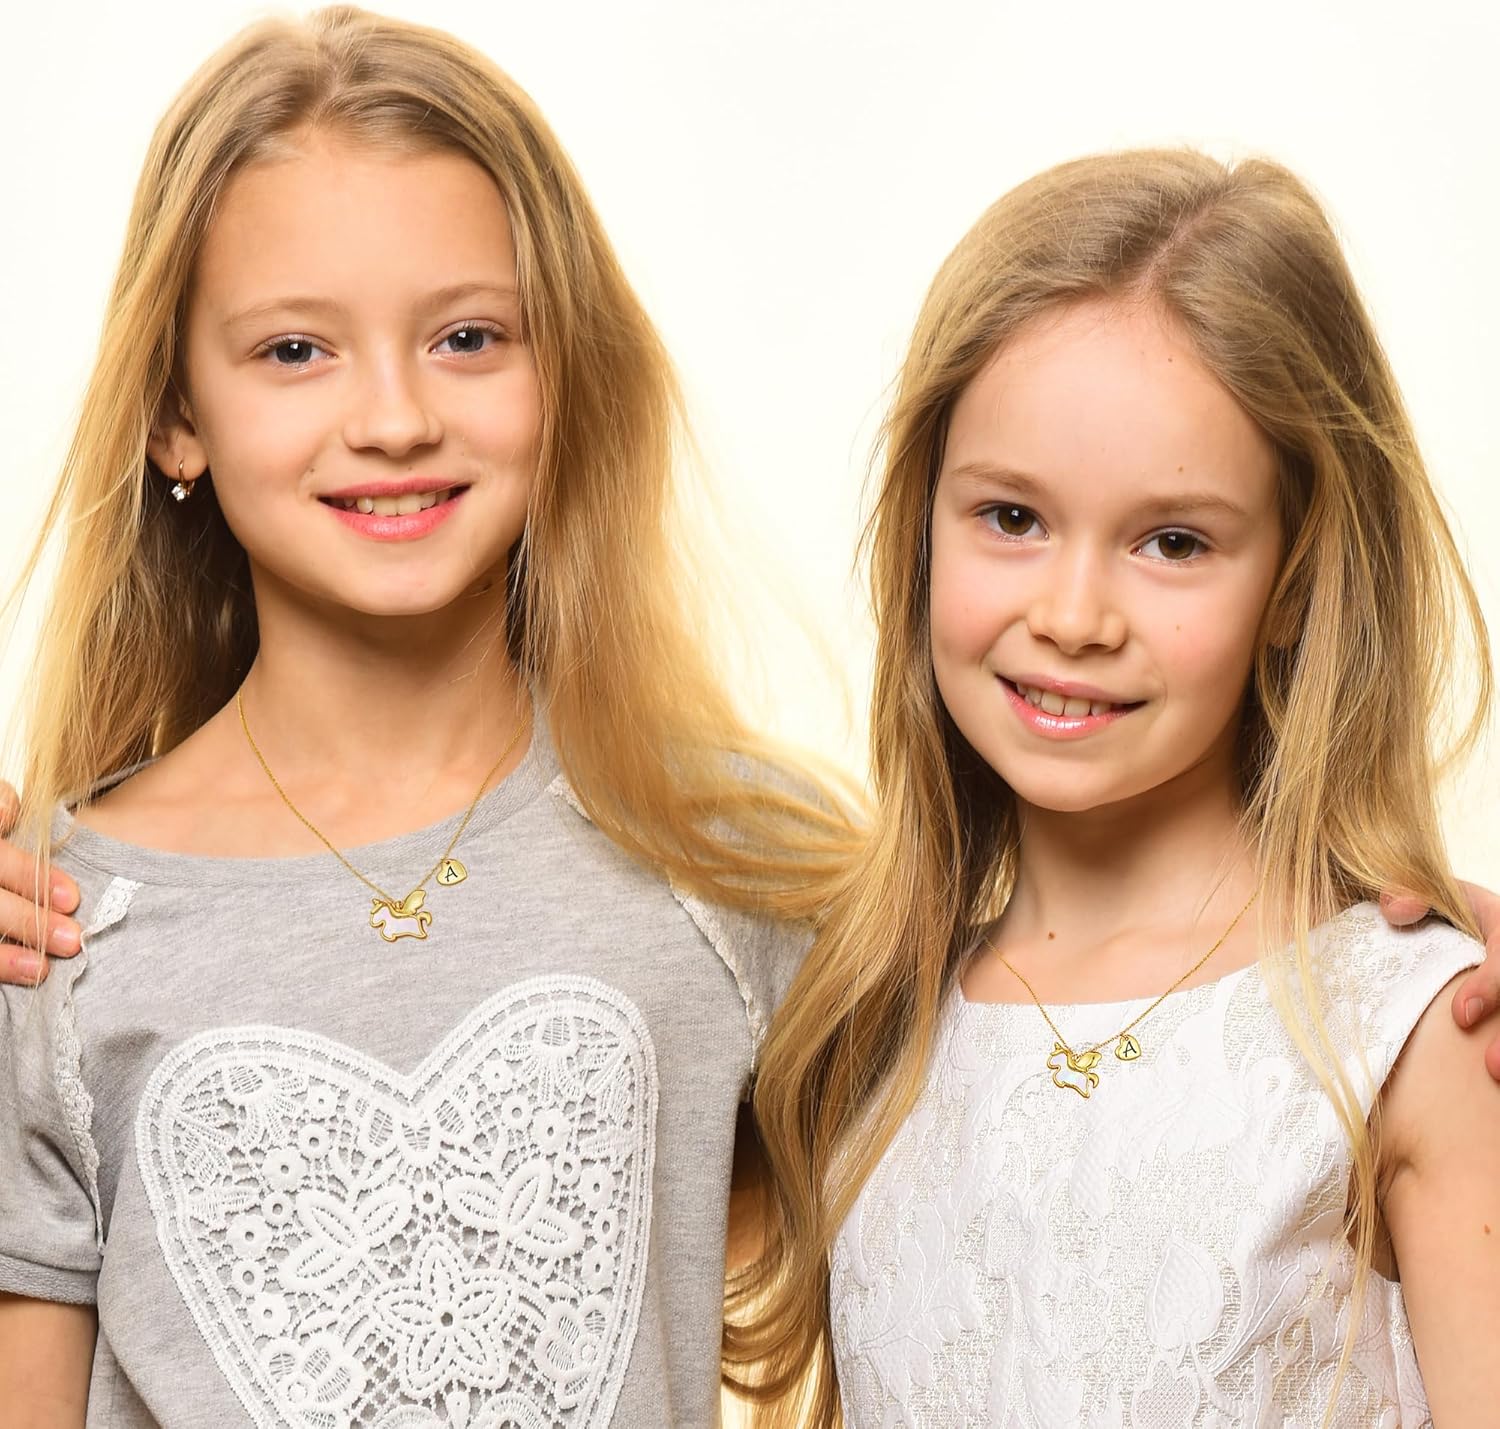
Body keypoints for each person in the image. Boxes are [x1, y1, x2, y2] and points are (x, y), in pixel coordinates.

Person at [0, 8, 853, 1426]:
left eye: (467, 337)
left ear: (562, 370)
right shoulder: (54, 932)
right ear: (176, 415)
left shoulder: (737, 860)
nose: (394, 418)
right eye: (295, 350)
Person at [734, 150, 1499, 1425]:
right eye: (1012, 519)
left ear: (1296, 582)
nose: (1074, 615)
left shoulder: (1407, 1029)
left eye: (1173, 541)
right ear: (922, 526)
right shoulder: (862, 1025)